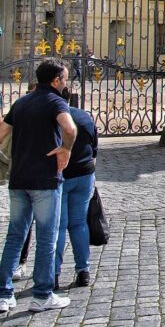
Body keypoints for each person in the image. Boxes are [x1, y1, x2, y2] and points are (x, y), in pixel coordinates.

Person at [0, 59, 77, 315]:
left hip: (18, 179)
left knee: (15, 236)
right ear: (56, 80)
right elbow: (70, 127)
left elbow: (1, 132)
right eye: (65, 79)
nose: (66, 83)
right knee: (46, 237)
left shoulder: (21, 102)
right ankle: (42, 295)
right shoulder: (55, 102)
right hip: (45, 179)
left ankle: (3, 293)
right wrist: (65, 148)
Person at [54, 90, 98, 289]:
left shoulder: (54, 120)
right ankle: (83, 271)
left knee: (60, 226)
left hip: (62, 175)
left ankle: (53, 273)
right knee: (79, 223)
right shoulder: (84, 116)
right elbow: (94, 148)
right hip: (84, 174)